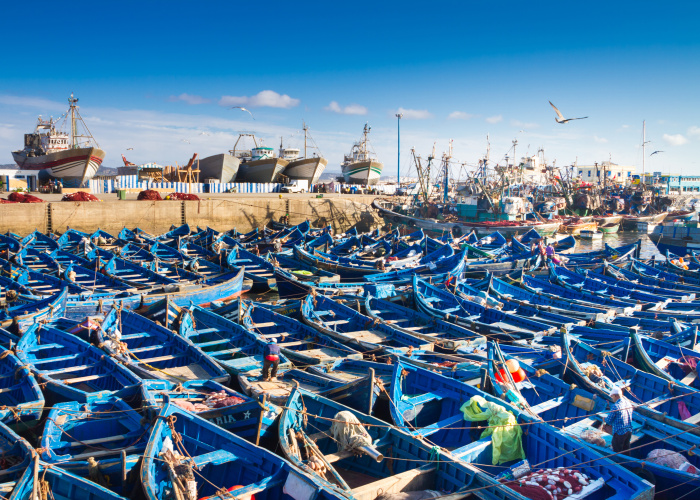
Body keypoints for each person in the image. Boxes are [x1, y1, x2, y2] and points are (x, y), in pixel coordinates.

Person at [605, 387, 634, 453]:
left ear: (615, 395)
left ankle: (617, 462)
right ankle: (627, 462)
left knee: (617, 452)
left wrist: (604, 419)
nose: (612, 398)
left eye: (612, 396)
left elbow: (608, 421)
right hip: (629, 431)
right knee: (626, 451)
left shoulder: (616, 406)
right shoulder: (628, 403)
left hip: (620, 433)